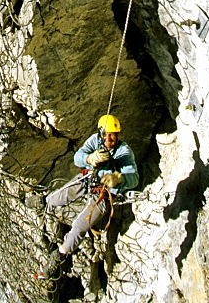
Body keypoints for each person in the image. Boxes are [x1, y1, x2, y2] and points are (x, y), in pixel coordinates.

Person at [41, 114, 138, 276]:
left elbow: (134, 178)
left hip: (103, 194)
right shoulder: (95, 141)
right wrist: (89, 158)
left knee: (80, 225)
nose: (109, 138)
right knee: (56, 197)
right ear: (100, 133)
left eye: (113, 135)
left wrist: (119, 178)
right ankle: (43, 201)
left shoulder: (124, 152)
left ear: (118, 135)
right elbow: (78, 158)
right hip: (87, 179)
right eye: (106, 134)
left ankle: (61, 254)